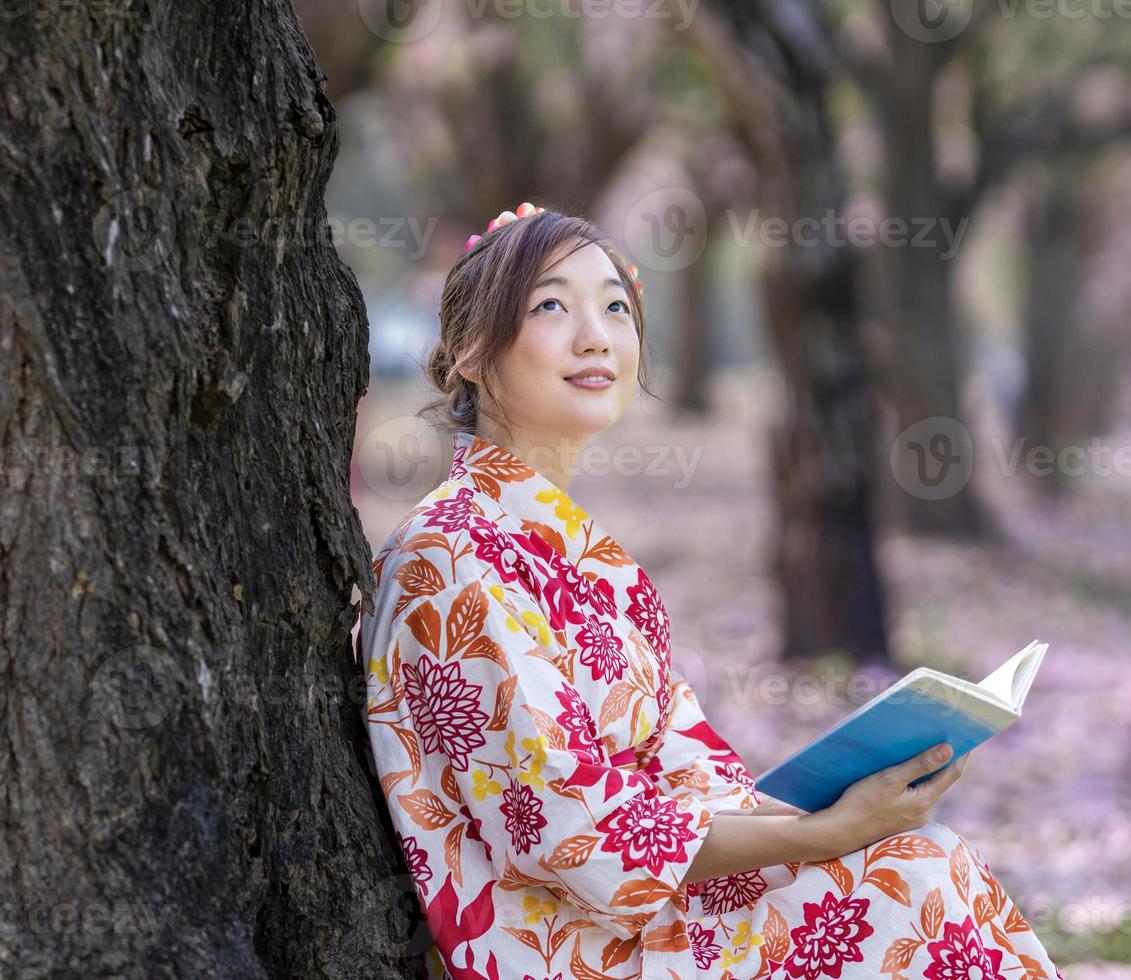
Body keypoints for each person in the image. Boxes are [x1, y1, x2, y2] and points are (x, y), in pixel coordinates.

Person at [356, 202, 1065, 979]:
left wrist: (854, 804)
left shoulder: (584, 559)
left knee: (920, 856)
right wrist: (819, 837)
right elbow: (568, 834)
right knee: (912, 882)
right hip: (566, 946)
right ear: (467, 350)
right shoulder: (451, 557)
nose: (596, 336)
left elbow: (691, 777)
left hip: (646, 916)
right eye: (551, 305)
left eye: (616, 307)